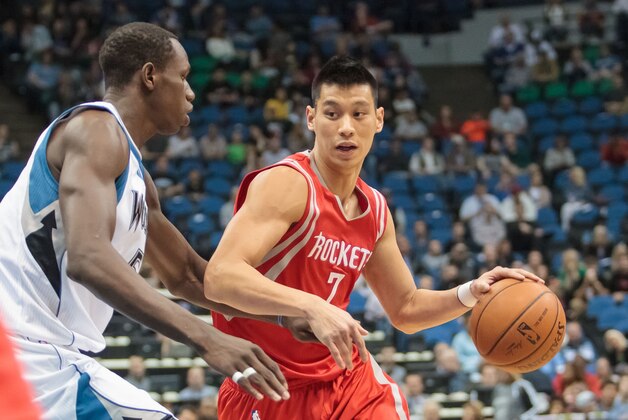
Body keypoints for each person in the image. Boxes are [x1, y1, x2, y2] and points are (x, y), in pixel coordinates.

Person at [204, 55, 543, 419]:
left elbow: (406, 309)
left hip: (348, 380)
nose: (346, 127)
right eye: (332, 114)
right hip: (268, 386)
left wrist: (470, 293)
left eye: (359, 114)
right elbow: (220, 277)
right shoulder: (288, 184)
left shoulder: (376, 210)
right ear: (311, 118)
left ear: (379, 120)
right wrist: (312, 305)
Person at [0, 22, 293, 419]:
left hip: (49, 355)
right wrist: (207, 338)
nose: (191, 92)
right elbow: (89, 257)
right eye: (184, 77)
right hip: (25, 349)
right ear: (151, 76)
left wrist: (285, 316)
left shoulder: (137, 178)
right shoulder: (95, 130)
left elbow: (188, 276)